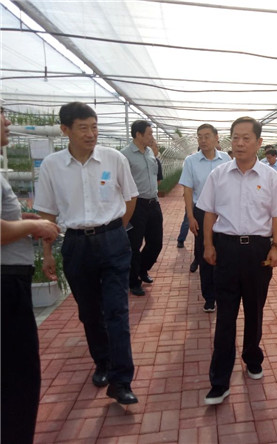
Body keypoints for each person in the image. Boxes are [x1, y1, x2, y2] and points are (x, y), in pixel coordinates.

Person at [34, 102, 139, 405]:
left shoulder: (114, 158)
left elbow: (130, 197)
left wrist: (116, 230)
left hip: (113, 240)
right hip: (76, 245)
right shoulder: (52, 165)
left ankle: (122, 380)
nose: (91, 134)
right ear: (65, 130)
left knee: (117, 311)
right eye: (83, 128)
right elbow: (46, 213)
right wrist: (47, 253)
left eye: (94, 127)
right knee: (90, 312)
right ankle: (102, 362)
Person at [198, 116, 277, 405]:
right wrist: (208, 245)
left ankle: (252, 358)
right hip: (226, 249)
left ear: (258, 142)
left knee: (254, 310)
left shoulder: (271, 177)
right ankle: (220, 380)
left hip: (257, 251)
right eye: (235, 138)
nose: (239, 143)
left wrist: (276, 246)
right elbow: (209, 213)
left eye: (246, 138)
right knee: (225, 315)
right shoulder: (218, 175)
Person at [1, 106, 61, 444]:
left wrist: (22, 220)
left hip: (11, 278)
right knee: (18, 374)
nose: (8, 120)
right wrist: (33, 226)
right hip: (5, 282)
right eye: (1, 114)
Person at [179, 123, 231, 312]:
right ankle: (209, 297)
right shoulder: (191, 161)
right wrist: (190, 216)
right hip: (201, 212)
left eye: (207, 136)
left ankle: (223, 293)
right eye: (199, 136)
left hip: (224, 213)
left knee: (224, 252)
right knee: (205, 253)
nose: (203, 140)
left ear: (216, 138)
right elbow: (187, 189)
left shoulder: (226, 159)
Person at [121, 120, 163, 296]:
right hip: (136, 205)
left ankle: (142, 269)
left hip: (153, 203)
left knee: (156, 243)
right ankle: (133, 281)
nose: (152, 137)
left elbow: (155, 176)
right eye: (149, 134)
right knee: (134, 244)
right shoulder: (124, 156)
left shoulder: (150, 153)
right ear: (138, 134)